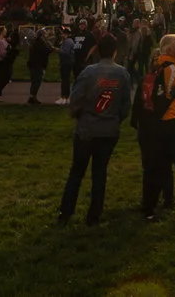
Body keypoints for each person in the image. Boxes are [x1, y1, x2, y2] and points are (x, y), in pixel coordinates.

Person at [59, 33, 131, 226]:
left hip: (87, 129)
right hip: (108, 130)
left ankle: (65, 212)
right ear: (115, 52)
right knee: (100, 174)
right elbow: (125, 105)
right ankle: (94, 215)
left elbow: (75, 100)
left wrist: (79, 115)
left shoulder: (88, 73)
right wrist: (114, 119)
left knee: (76, 172)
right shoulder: (122, 74)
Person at [135, 33, 175, 223]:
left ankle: (149, 208)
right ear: (171, 50)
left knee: (157, 169)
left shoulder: (152, 68)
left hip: (154, 126)